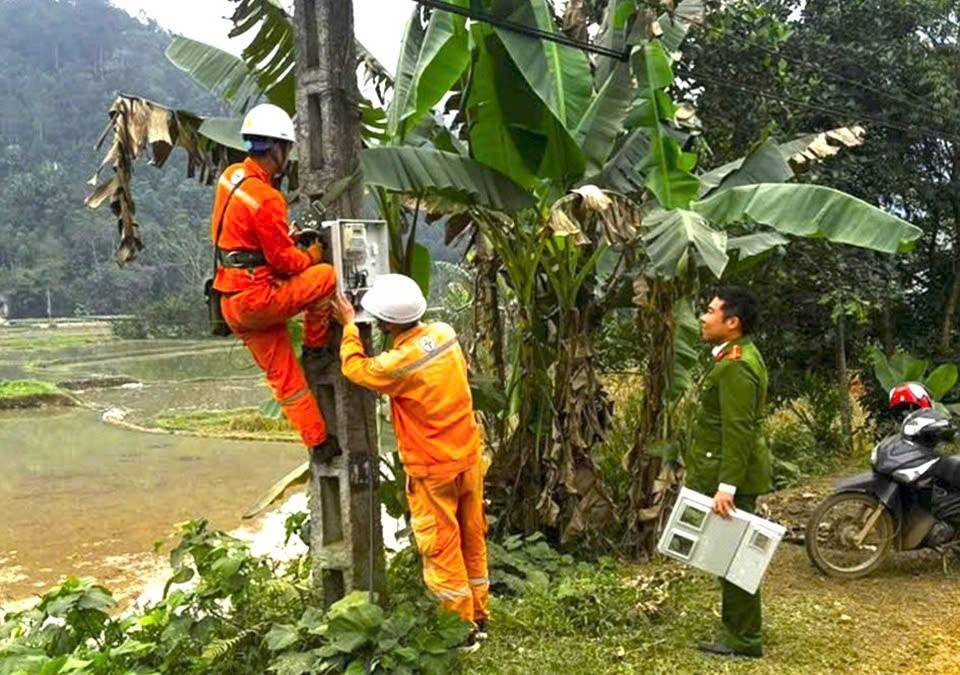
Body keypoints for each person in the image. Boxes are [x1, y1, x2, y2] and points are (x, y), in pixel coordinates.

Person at [331, 274, 490, 642]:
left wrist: (350, 326)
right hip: (467, 457)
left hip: (433, 468)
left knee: (442, 547)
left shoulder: (397, 364)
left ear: (385, 323)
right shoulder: (446, 334)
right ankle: (479, 614)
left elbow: (356, 369)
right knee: (472, 537)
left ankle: (460, 631)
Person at [211, 103, 338, 459]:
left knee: (285, 379)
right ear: (279, 149)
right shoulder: (267, 198)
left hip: (231, 302)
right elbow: (285, 262)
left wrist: (284, 235)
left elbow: (242, 234)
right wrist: (310, 256)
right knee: (325, 277)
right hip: (258, 297)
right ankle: (316, 346)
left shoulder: (230, 178)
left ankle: (319, 443)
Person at [686, 287, 771, 658]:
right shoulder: (738, 356)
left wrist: (727, 486)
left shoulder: (737, 365)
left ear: (732, 322)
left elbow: (738, 430)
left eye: (710, 311)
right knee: (731, 555)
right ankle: (740, 629)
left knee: (736, 557)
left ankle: (744, 639)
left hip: (734, 476)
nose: (703, 318)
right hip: (733, 473)